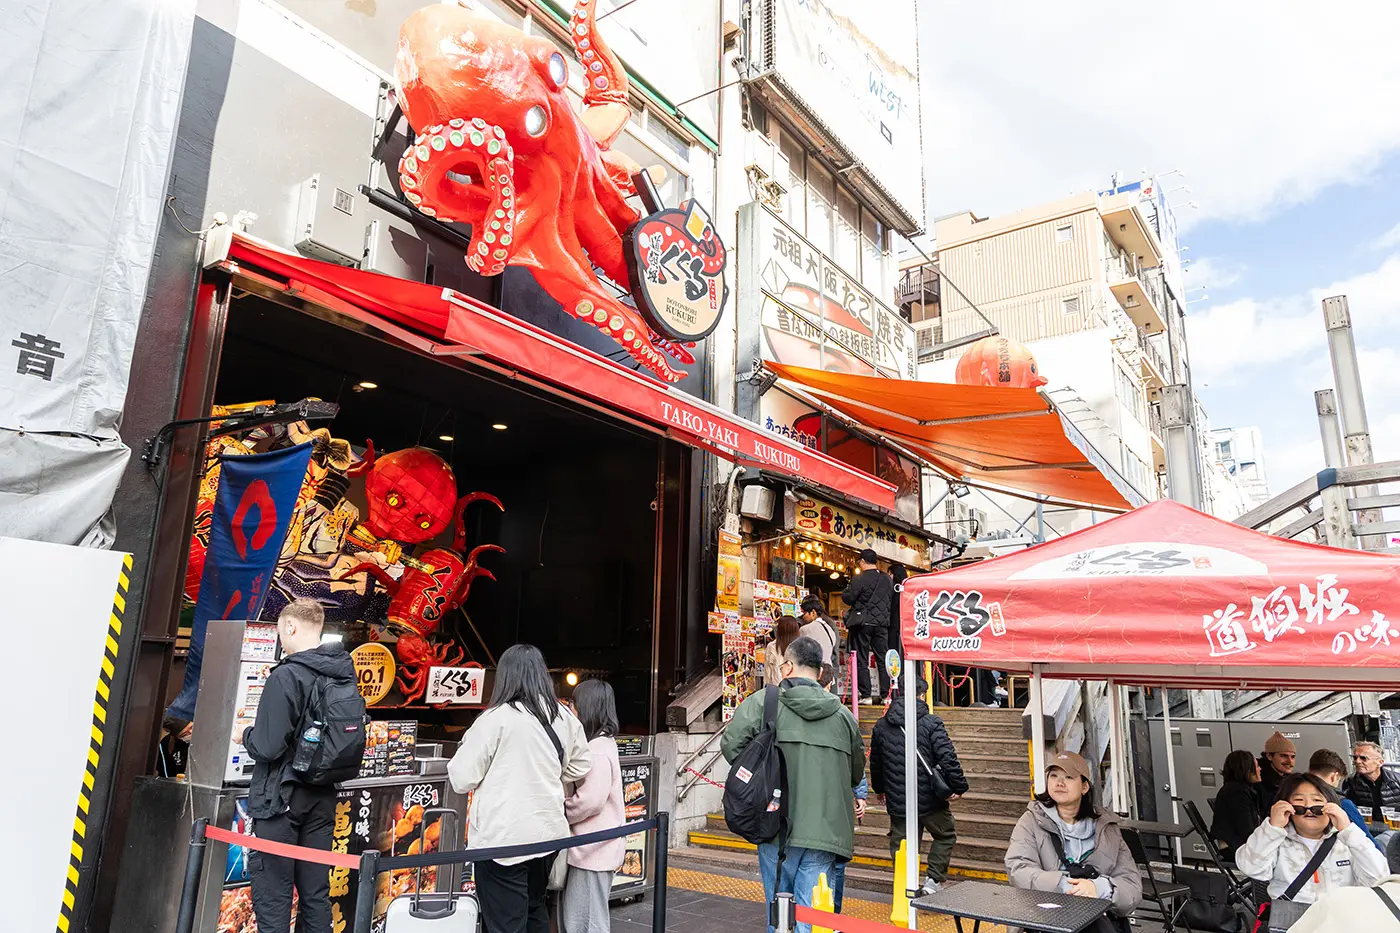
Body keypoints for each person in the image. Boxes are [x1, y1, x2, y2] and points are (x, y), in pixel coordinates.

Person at [722, 636, 865, 933]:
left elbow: (732, 746)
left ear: (786, 667)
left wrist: (762, 774)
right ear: (820, 672)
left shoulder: (764, 702)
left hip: (773, 823)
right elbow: (855, 773)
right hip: (825, 830)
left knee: (778, 913)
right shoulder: (844, 716)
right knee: (812, 918)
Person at [448, 645, 592, 933]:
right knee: (535, 909)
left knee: (505, 922)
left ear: (505, 677)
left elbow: (461, 778)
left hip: (503, 840)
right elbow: (581, 766)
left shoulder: (495, 719)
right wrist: (550, 771)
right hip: (547, 837)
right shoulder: (563, 717)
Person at [235, 599, 356, 933]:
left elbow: (269, 746)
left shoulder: (286, 676)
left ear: (290, 626)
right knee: (316, 895)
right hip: (322, 798)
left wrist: (244, 735)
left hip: (280, 800)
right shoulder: (344, 673)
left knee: (274, 896)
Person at [1004, 751, 1141, 927]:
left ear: (1084, 787)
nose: (1059, 783)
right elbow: (1018, 869)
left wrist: (1098, 888)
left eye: (1068, 777)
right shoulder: (1031, 821)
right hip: (1044, 917)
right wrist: (1065, 886)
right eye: (1054, 776)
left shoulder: (1107, 828)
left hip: (1097, 916)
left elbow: (1131, 884)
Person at [869, 678, 969, 895]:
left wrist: (879, 790)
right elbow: (948, 757)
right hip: (930, 799)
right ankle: (932, 882)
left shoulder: (881, 726)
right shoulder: (931, 723)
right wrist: (959, 787)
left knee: (902, 845)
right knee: (945, 834)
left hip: (898, 799)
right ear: (922, 694)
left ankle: (904, 886)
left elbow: (876, 764)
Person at [1234, 772, 1388, 903]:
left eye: (1317, 801)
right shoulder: (1277, 841)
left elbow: (1378, 878)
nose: (1309, 809)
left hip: (1339, 921)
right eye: (1299, 801)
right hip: (1293, 923)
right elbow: (1251, 867)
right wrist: (1272, 829)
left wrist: (1349, 831)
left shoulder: (1347, 842)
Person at [561, 680, 625, 933]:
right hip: (597, 847)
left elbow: (590, 801)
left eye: (573, 705)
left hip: (592, 850)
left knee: (585, 921)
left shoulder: (596, 750)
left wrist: (562, 811)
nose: (572, 711)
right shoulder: (605, 743)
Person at [842, 549, 893, 704]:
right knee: (882, 659)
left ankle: (866, 695)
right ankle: (886, 696)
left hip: (863, 623)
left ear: (863, 562)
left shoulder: (859, 578)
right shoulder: (887, 579)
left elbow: (848, 598)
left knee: (861, 659)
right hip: (882, 625)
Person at [1343, 741, 1400, 846]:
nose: (1357, 761)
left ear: (1380, 762)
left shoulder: (1397, 780)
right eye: (1355, 758)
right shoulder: (1350, 782)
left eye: (1363, 758)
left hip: (1394, 831)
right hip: (1365, 831)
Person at [1209, 749, 1263, 860]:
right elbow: (1246, 830)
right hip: (1234, 849)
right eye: (1257, 766)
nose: (1260, 769)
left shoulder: (1236, 789)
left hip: (1234, 845)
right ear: (1247, 770)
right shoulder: (1237, 793)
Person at [1258, 731, 1297, 805]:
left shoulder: (1291, 780)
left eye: (1293, 757)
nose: (1290, 761)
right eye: (1284, 756)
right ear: (1269, 756)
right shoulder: (1258, 782)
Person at [763, 615, 802, 688]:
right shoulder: (801, 647)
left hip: (776, 691)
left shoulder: (772, 647)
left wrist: (766, 692)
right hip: (797, 692)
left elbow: (767, 674)